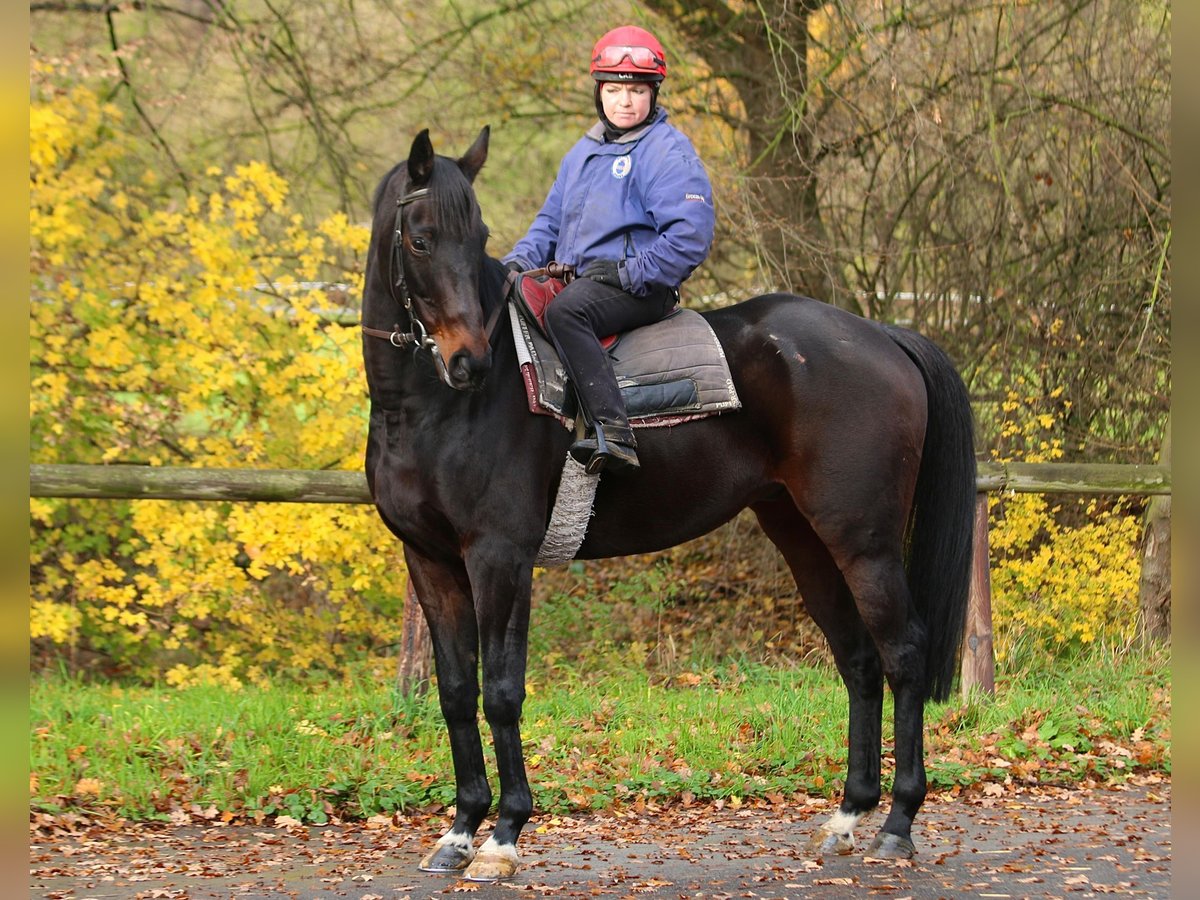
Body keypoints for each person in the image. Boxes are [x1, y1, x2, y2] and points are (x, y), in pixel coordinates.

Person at [504, 25, 715, 473]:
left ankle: (614, 434)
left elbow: (690, 236)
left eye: (637, 90)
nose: (625, 101)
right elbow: (548, 223)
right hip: (584, 282)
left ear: (653, 95)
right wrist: (515, 265)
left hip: (642, 286)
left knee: (567, 313)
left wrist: (627, 272)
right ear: (599, 92)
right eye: (615, 90)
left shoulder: (667, 152)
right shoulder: (581, 152)